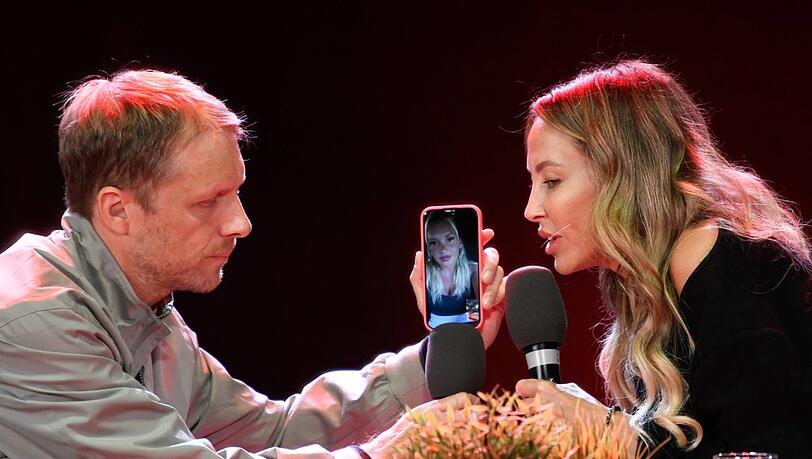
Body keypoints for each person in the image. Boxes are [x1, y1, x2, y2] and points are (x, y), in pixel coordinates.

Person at [0, 69, 505, 458]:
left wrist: (438, 355)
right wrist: (390, 452)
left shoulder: (149, 312)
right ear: (117, 211)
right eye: (208, 201)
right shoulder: (31, 322)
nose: (241, 224)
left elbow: (272, 430)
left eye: (236, 193)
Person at [515, 60, 811, 457]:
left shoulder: (717, 259)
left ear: (622, 175)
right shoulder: (645, 286)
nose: (531, 209)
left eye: (552, 180)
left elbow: (772, 448)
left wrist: (612, 435)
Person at [423, 214, 480, 327]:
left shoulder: (473, 271)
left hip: (468, 333)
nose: (443, 250)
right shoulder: (424, 273)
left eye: (449, 239)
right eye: (434, 242)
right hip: (435, 334)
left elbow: (475, 317)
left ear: (460, 242)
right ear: (428, 248)